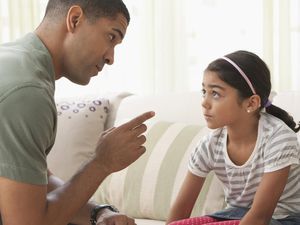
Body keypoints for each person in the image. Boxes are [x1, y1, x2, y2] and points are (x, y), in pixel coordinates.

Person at [0, 0, 155, 225]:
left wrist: (98, 212)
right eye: (111, 37)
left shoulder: (15, 63)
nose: (111, 58)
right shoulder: (28, 93)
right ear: (74, 19)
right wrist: (101, 163)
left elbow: (37, 180)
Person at [166, 50, 300, 225]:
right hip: (235, 215)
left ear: (251, 103)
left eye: (215, 93)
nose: (204, 102)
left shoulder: (278, 138)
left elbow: (260, 218)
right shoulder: (209, 145)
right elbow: (178, 215)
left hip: (284, 219)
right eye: (204, 91)